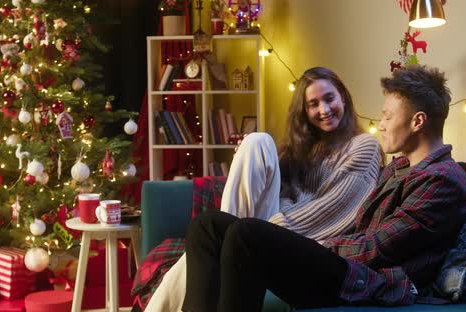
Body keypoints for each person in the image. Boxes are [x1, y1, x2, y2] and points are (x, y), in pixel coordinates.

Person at [180, 65, 466, 312]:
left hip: (369, 282)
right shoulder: (399, 168)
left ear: (418, 121)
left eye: (387, 116)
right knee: (208, 226)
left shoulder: (442, 179)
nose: (380, 125)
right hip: (345, 266)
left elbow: (374, 249)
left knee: (247, 235)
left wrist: (308, 245)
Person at [145, 67, 382, 311]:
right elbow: (280, 193)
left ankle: (223, 243)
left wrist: (270, 228)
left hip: (307, 241)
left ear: (342, 96)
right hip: (268, 229)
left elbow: (337, 207)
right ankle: (228, 239)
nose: (324, 110)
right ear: (304, 111)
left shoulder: (364, 145)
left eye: (329, 98)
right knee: (207, 221)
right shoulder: (302, 150)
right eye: (313, 104)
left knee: (258, 142)